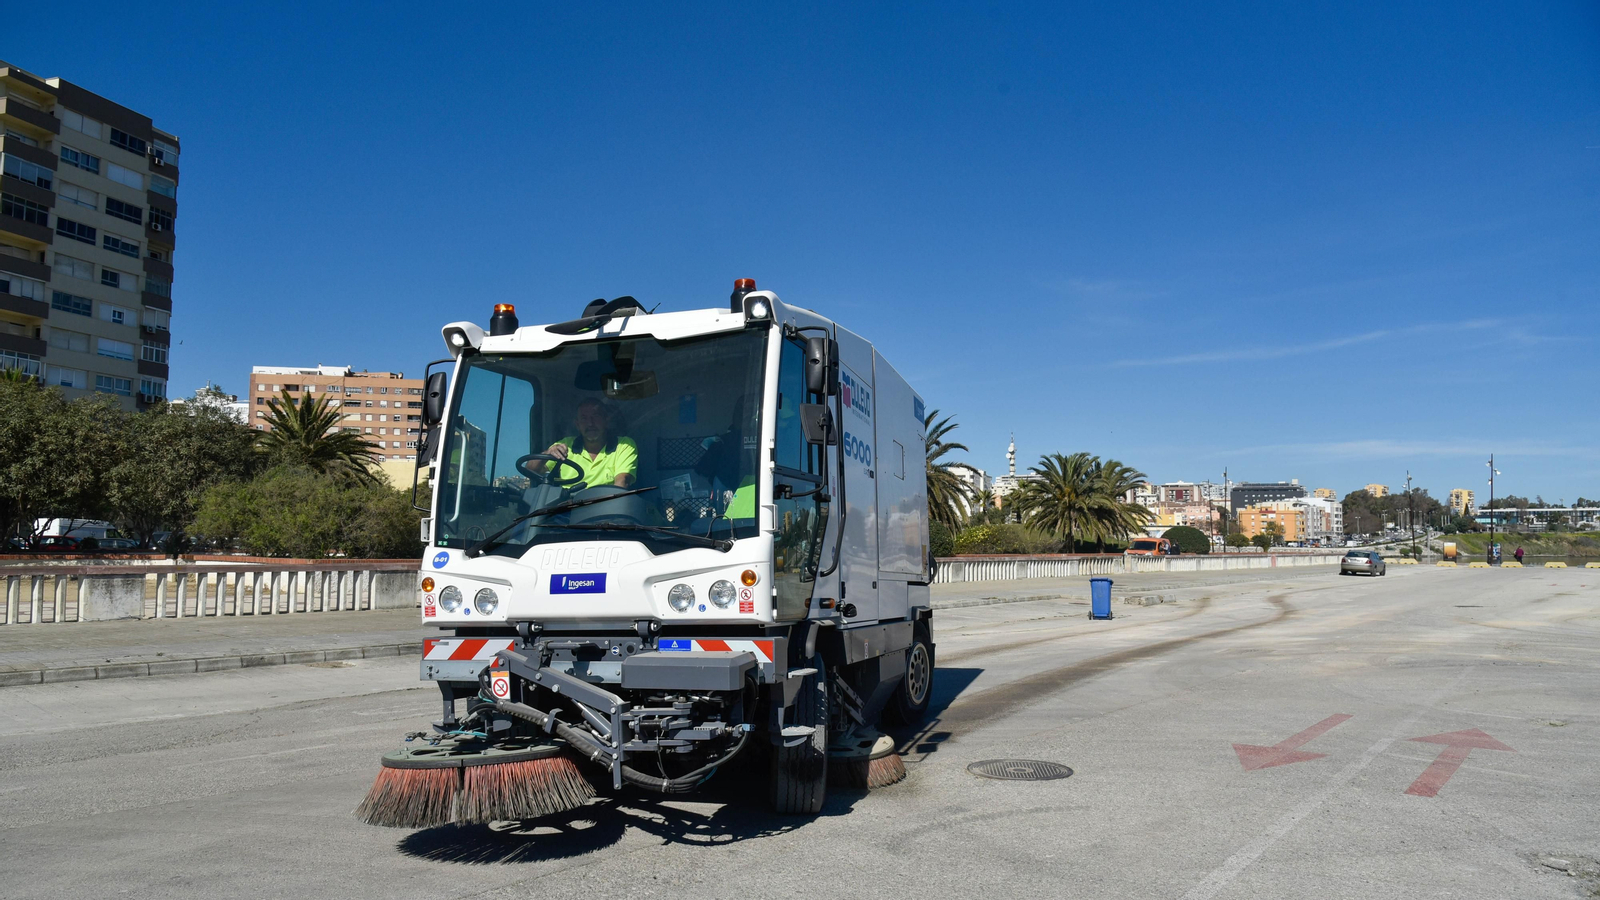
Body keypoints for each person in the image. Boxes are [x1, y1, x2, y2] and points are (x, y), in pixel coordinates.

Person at [539, 399, 638, 489]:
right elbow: (531, 469)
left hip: (607, 506)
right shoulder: (565, 445)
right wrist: (546, 454)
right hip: (567, 506)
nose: (590, 423)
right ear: (577, 424)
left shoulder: (623, 445)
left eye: (596, 416)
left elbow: (622, 484)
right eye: (584, 418)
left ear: (606, 420)